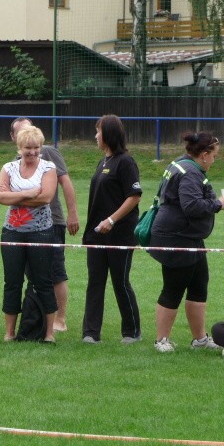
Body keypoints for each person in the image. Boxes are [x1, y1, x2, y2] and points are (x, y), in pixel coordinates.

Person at [150, 132, 224, 353]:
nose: (215, 160)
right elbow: (192, 206)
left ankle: (200, 339)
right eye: (214, 156)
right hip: (176, 238)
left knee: (199, 286)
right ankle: (161, 340)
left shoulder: (183, 164)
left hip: (190, 238)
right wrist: (218, 204)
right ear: (204, 155)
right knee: (173, 288)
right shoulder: (189, 173)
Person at [10, 117, 80, 332]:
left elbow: (65, 181)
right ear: (14, 138)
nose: (28, 139)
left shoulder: (47, 152)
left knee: (56, 270)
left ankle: (61, 318)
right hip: (24, 227)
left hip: (53, 221)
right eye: (22, 133)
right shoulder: (14, 162)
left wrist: (72, 214)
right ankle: (38, 316)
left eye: (31, 130)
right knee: (34, 274)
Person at [82, 114, 142, 344]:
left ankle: (132, 332)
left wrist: (112, 220)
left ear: (108, 134)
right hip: (97, 236)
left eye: (98, 131)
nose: (95, 136)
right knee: (95, 282)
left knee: (120, 282)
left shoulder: (125, 162)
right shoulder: (102, 162)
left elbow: (134, 196)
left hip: (120, 235)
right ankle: (90, 333)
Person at [0, 126, 58, 343]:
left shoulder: (48, 167)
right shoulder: (9, 168)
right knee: (12, 282)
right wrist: (28, 193)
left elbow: (46, 197)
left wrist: (14, 196)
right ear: (19, 147)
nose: (32, 152)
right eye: (28, 148)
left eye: (36, 148)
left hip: (41, 233)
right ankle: (9, 332)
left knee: (43, 281)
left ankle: (50, 333)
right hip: (12, 232)